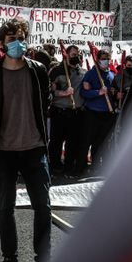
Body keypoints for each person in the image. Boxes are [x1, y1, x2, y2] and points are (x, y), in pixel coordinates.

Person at [0, 17, 52, 262]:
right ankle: (10, 259)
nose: (18, 43)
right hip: (4, 152)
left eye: (21, 38)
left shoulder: (38, 70)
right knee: (5, 208)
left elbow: (46, 101)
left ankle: (44, 261)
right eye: (12, 39)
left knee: (43, 207)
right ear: (2, 44)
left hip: (35, 149)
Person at [48, 45, 86, 177]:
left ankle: (69, 166)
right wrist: (64, 93)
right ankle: (55, 167)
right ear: (67, 54)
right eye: (74, 54)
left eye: (78, 54)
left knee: (72, 142)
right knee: (56, 142)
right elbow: (49, 91)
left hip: (75, 113)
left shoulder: (82, 72)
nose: (76, 56)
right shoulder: (56, 71)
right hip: (59, 112)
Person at [78, 49, 116, 175]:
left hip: (107, 114)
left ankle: (96, 166)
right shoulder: (91, 74)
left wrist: (116, 95)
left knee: (100, 142)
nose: (106, 61)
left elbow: (113, 93)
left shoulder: (111, 75)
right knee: (86, 140)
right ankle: (80, 167)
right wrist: (98, 92)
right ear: (98, 60)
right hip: (92, 113)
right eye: (103, 58)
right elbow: (83, 93)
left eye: (107, 58)